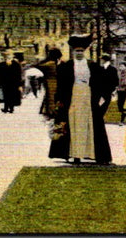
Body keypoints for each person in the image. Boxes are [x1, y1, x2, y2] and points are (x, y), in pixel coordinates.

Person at [48, 34, 113, 165]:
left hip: (88, 98)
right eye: (76, 51)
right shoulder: (66, 66)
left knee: (89, 124)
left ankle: (90, 153)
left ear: (85, 51)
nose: (79, 53)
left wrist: (102, 96)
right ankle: (74, 154)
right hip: (72, 98)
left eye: (81, 51)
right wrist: (59, 100)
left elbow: (102, 82)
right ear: (73, 51)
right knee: (73, 124)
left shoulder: (93, 66)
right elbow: (61, 85)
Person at [37, 48, 62, 120]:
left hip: (49, 81)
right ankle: (51, 111)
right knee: (51, 96)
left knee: (49, 96)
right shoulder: (51, 63)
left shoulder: (49, 63)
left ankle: (48, 110)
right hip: (52, 81)